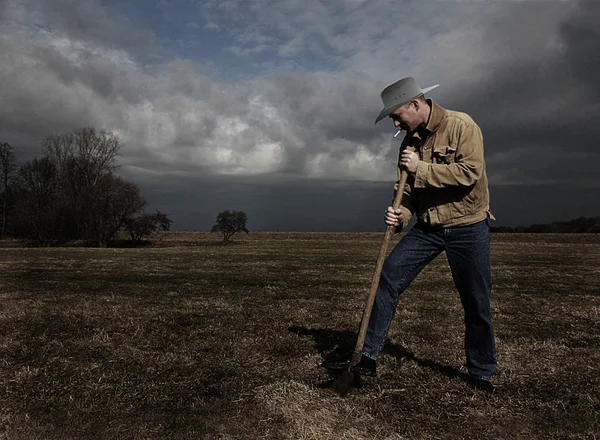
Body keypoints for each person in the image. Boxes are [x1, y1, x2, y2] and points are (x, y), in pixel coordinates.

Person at [339, 77, 497, 392]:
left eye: (396, 115)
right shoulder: (409, 142)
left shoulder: (461, 126)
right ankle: (367, 357)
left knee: (476, 300)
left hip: (468, 225)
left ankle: (481, 372)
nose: (395, 122)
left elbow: (470, 173)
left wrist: (420, 168)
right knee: (389, 276)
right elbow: (407, 191)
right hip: (427, 227)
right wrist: (401, 214)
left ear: (415, 103)